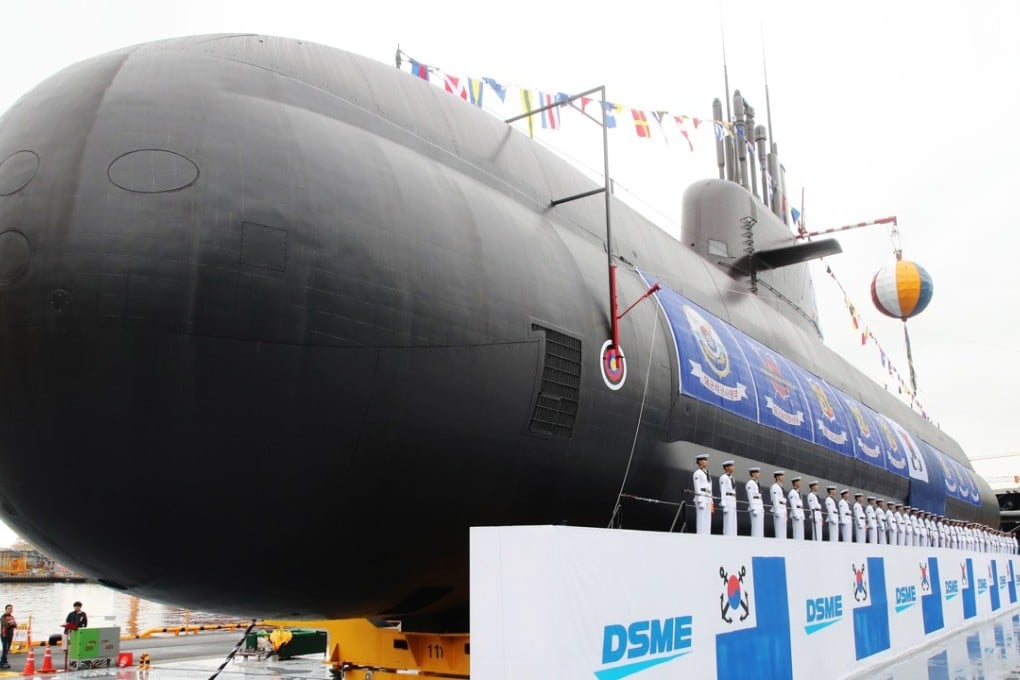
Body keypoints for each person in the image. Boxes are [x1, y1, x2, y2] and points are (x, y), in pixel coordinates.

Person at [692, 453, 712, 535]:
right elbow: (697, 487)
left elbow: (710, 486)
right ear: (700, 462)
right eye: (704, 460)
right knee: (701, 517)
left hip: (708, 496)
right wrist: (699, 499)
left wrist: (711, 499)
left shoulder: (707, 473)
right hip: (702, 497)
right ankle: (700, 534)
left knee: (708, 518)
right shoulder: (697, 473)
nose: (706, 461)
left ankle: (707, 534)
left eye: (706, 460)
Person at [718, 460, 737, 536]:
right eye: (731, 466)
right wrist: (724, 505)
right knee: (728, 521)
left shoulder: (732, 478)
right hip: (728, 500)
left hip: (733, 500)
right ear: (726, 468)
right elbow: (723, 491)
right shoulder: (723, 477)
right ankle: (727, 536)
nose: (733, 467)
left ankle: (733, 535)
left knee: (733, 521)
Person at [746, 467, 764, 538]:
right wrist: (753, 508)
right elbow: (750, 496)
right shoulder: (750, 483)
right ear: (753, 474)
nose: (759, 474)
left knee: (760, 527)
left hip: (759, 507)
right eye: (757, 472)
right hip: (755, 508)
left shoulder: (757, 483)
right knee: (756, 527)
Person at [770, 471, 787, 539]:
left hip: (783, 509)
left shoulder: (780, 487)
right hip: (779, 510)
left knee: (783, 530)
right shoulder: (775, 487)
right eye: (781, 475)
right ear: (777, 477)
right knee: (779, 530)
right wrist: (776, 511)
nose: (783, 477)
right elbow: (775, 499)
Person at [0, 604, 14, 669]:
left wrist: (11, 623)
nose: (10, 610)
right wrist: (11, 623)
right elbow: (5, 625)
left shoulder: (12, 617)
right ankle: (2, 662)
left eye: (11, 608)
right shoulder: (3, 617)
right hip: (4, 635)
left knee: (7, 649)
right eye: (8, 608)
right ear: (6, 609)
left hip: (10, 635)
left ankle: (5, 661)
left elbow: (15, 625)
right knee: (5, 649)